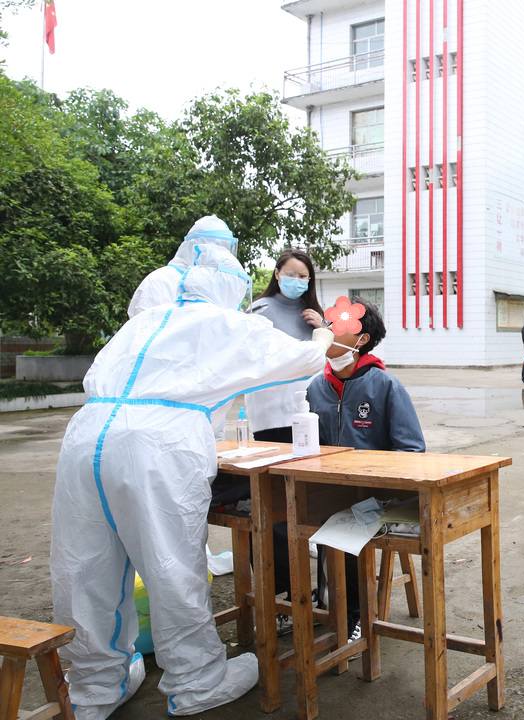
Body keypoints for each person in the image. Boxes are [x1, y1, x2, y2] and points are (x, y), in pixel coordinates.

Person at [51, 245, 335, 719]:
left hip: (85, 436)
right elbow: (303, 361)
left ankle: (93, 687)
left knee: (85, 568)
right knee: (170, 565)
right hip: (157, 445)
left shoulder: (144, 321)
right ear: (232, 288)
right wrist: (324, 336)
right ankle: (196, 681)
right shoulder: (226, 323)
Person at [303, 297, 425, 643]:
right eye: (327, 325)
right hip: (331, 491)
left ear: (361, 340)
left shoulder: (385, 386)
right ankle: (327, 601)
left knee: (348, 522)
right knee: (297, 517)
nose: (326, 333)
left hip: (378, 496)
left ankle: (357, 615)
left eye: (336, 328)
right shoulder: (316, 387)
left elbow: (413, 451)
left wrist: (382, 487)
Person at [245, 249, 325, 443]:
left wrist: (323, 327)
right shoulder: (259, 311)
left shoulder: (314, 313)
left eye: (302, 276)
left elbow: (329, 355)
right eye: (290, 274)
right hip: (271, 414)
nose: (296, 280)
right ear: (277, 274)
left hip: (311, 410)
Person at [127, 215, 238, 318]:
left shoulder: (218, 289)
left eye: (224, 250)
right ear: (192, 247)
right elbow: (145, 331)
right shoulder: (159, 281)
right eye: (214, 249)